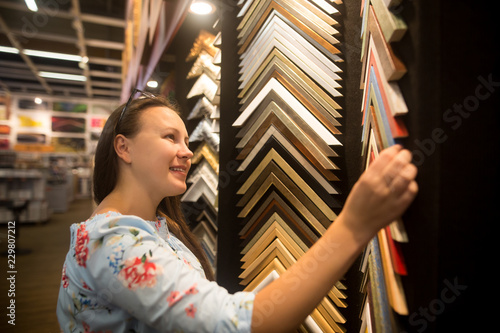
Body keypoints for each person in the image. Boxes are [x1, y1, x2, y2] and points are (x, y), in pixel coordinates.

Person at [56, 91, 418, 333]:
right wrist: (355, 225)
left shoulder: (156, 228)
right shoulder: (112, 242)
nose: (187, 152)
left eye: (186, 141)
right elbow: (239, 324)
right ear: (124, 147)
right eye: (170, 138)